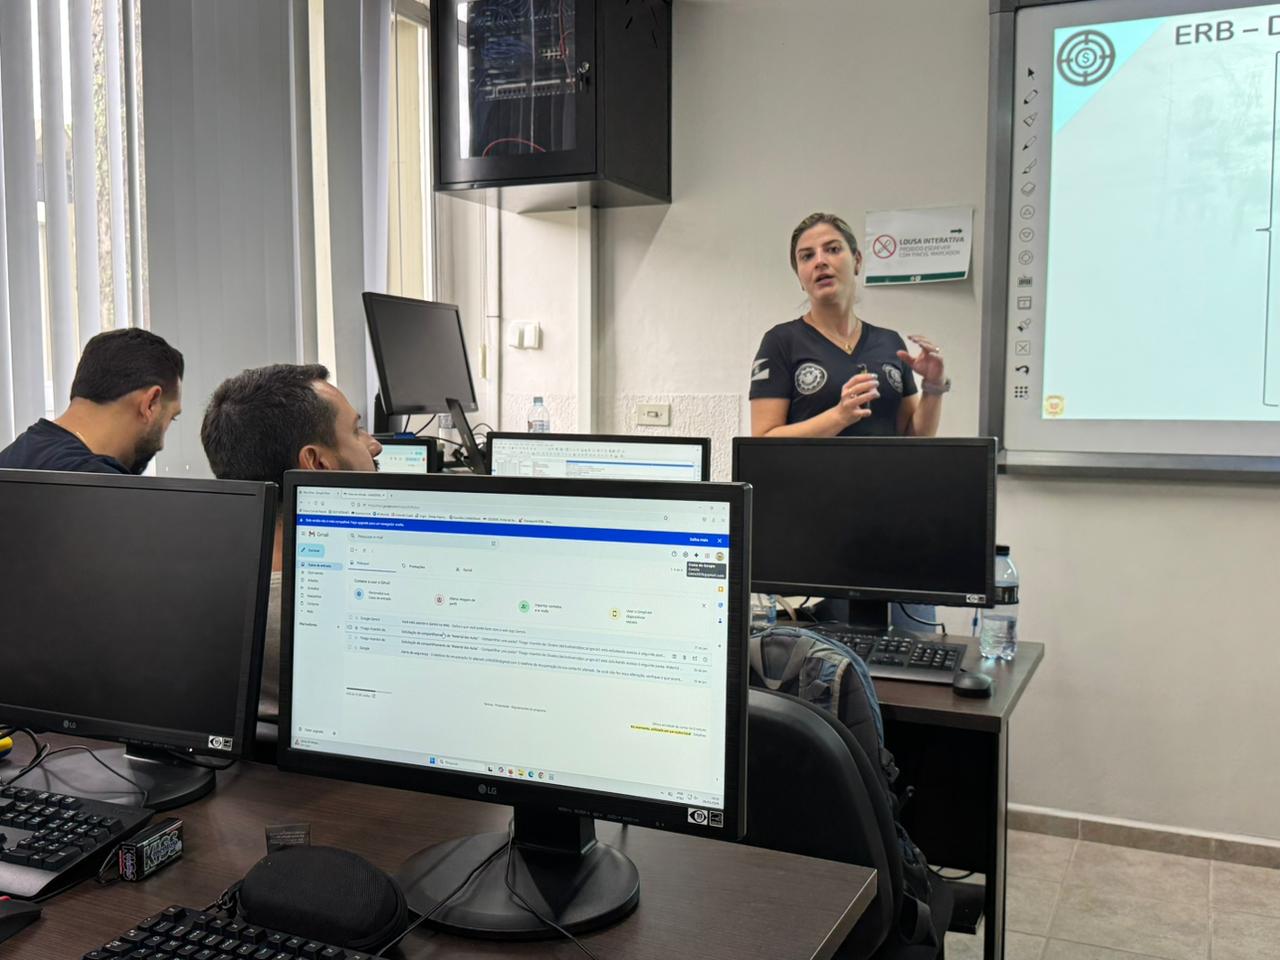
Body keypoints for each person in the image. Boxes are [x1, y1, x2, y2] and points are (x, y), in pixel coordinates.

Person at [200, 363, 382, 725]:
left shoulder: (203, 595)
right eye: (356, 431)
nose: (374, 445)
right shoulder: (348, 615)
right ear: (316, 462)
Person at [749, 212, 949, 438]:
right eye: (807, 256)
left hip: (884, 464)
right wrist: (838, 417)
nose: (820, 261)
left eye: (833, 249)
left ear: (857, 261)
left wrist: (933, 386)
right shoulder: (781, 342)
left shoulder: (890, 343)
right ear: (800, 278)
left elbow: (913, 439)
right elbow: (762, 441)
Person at [0, 328, 184, 473]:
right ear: (150, 403)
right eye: (172, 417)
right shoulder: (106, 491)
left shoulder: (11, 458)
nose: (162, 444)